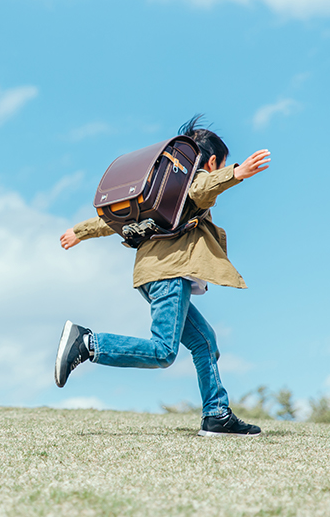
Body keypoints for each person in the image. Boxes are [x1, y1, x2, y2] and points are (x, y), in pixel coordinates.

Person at [54, 115, 271, 437]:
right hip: (170, 274)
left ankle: (217, 415)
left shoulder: (162, 189)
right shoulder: (192, 181)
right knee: (163, 351)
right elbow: (202, 187)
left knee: (204, 342)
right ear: (212, 161)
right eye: (221, 165)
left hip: (152, 274)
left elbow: (114, 218)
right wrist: (236, 174)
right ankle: (87, 343)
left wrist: (79, 231)